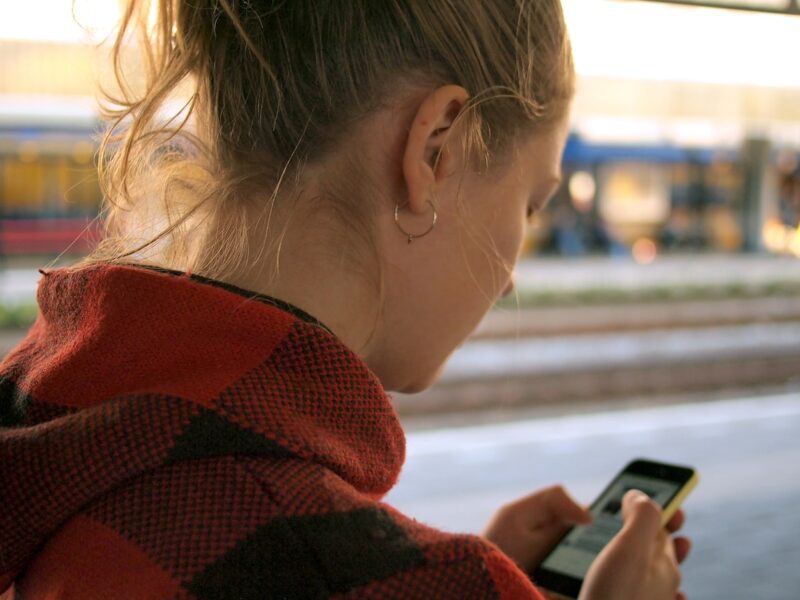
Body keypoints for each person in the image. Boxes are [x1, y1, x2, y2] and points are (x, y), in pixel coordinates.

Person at [0, 1, 691, 598]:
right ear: (436, 149)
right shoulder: (362, 568)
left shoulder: (44, 422)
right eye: (530, 205)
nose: (509, 276)